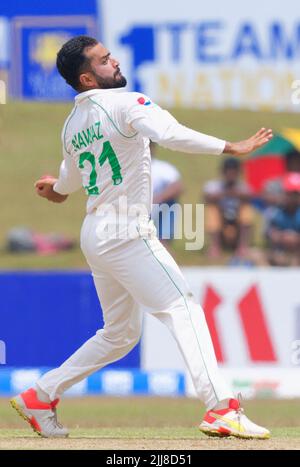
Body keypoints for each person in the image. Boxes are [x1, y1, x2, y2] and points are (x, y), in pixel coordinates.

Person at [10, 36, 272, 439]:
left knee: (120, 335)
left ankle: (41, 395)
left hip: (96, 233)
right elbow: (170, 134)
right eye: (103, 60)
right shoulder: (127, 102)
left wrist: (56, 190)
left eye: (109, 55)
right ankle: (222, 408)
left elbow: (68, 181)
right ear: (87, 78)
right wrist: (231, 146)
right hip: (126, 229)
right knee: (183, 308)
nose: (113, 62)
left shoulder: (72, 125)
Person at [204, 158, 254, 258]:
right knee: (211, 210)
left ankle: (242, 247)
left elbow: (249, 197)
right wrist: (227, 193)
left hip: (236, 226)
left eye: (233, 172)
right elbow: (207, 198)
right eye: (228, 171)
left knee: (246, 210)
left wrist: (235, 194)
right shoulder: (213, 186)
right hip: (221, 226)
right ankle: (215, 247)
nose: (231, 175)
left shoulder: (243, 186)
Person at [151, 143, 184, 247]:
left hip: (157, 208)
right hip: (134, 209)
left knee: (168, 204)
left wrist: (156, 200)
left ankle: (163, 242)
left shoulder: (163, 168)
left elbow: (177, 186)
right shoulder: (129, 167)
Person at [266, 173, 300, 266]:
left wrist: (295, 238)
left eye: (295, 194)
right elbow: (270, 234)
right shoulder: (275, 212)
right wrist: (282, 237)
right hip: (281, 252)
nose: (293, 197)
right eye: (289, 194)